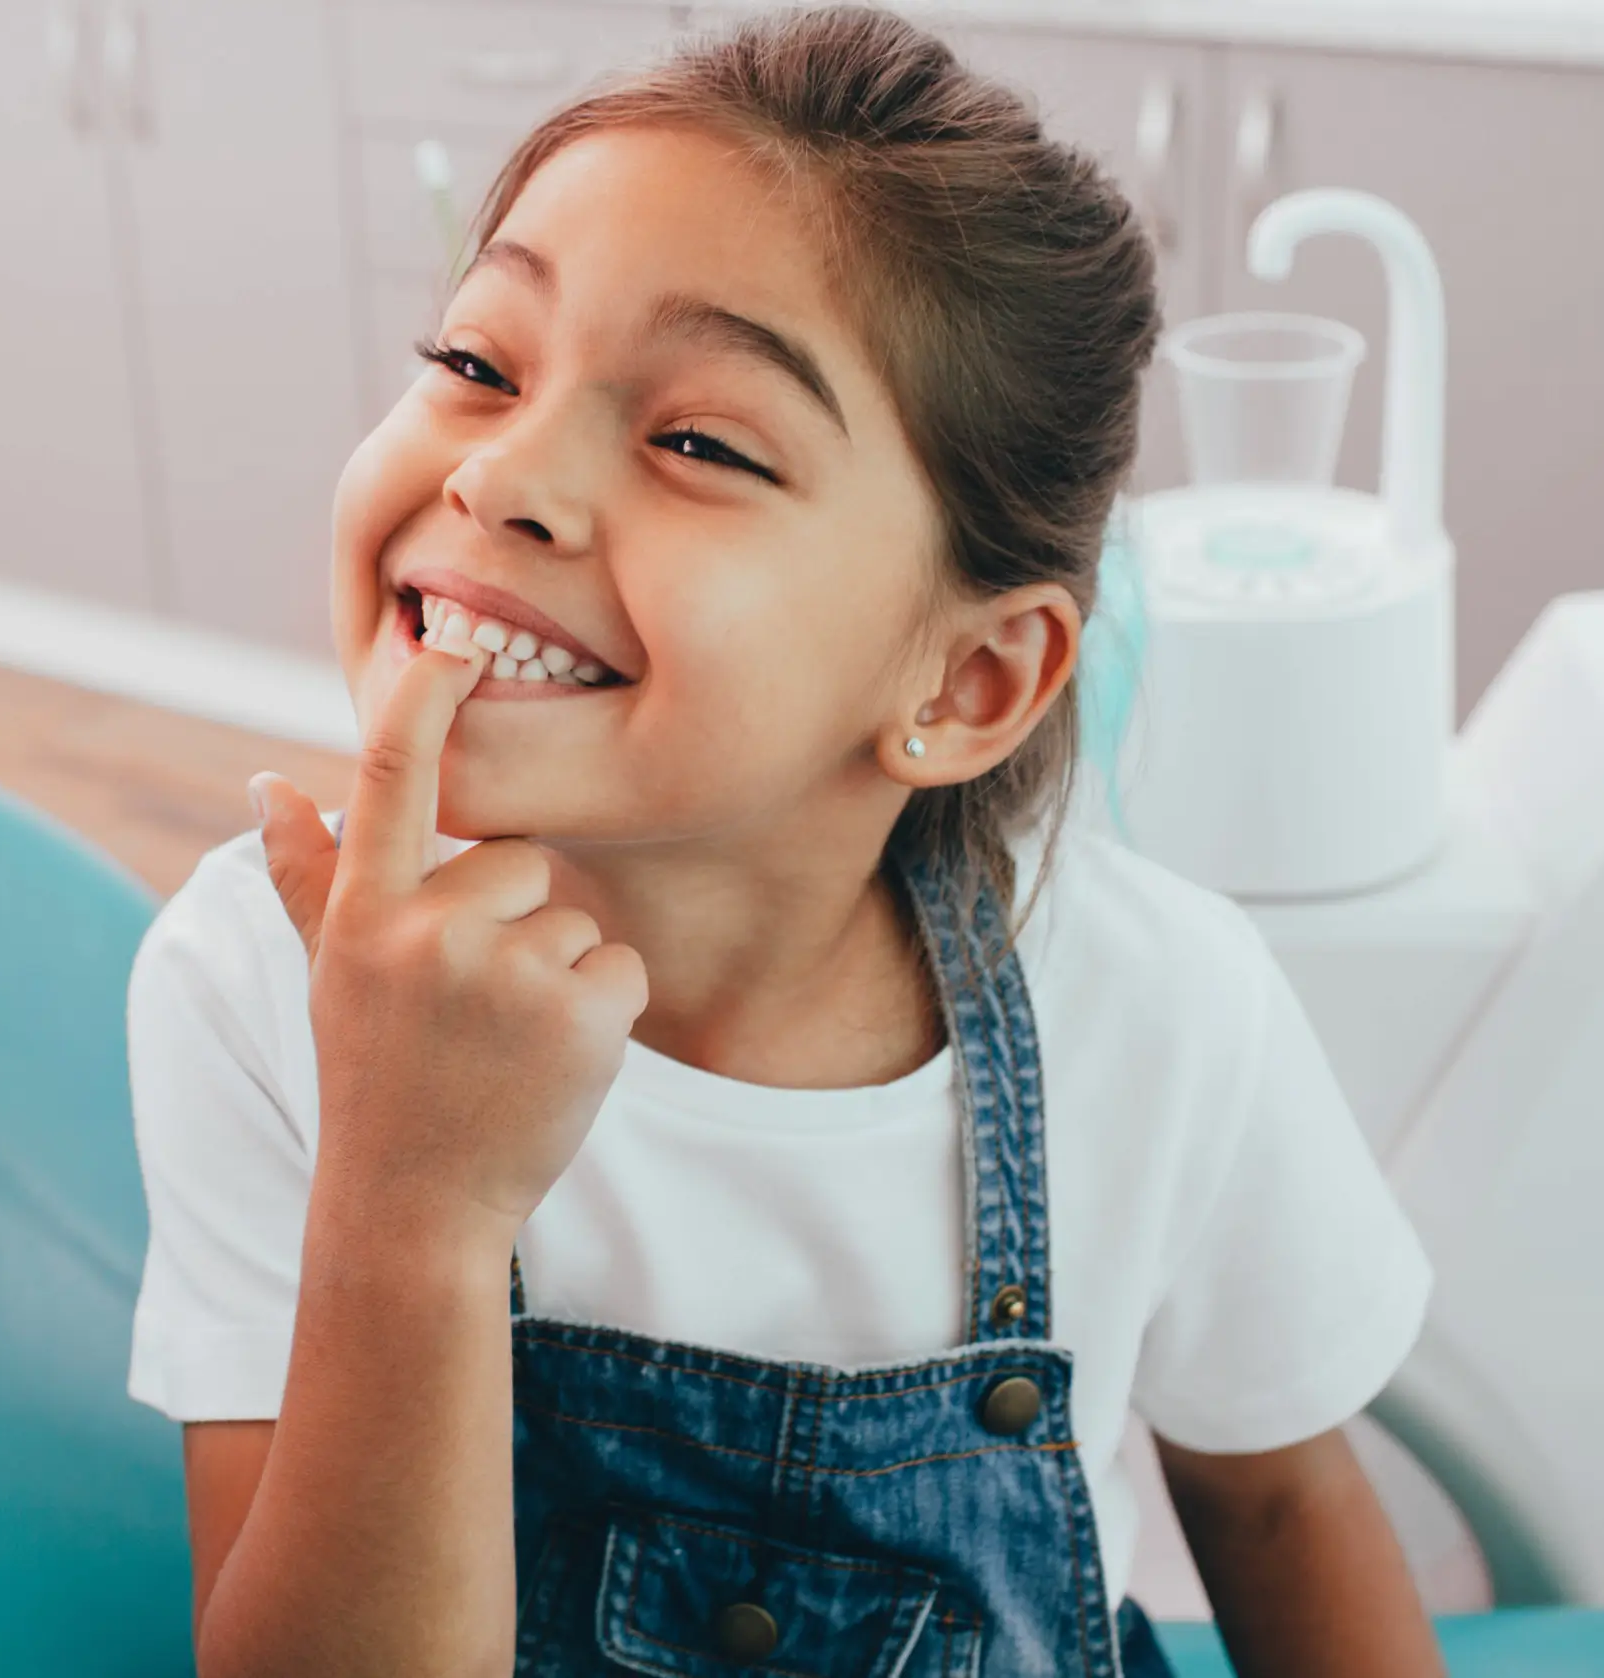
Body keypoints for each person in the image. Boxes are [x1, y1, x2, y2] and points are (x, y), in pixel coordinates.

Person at [123, 7, 1444, 1674]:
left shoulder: (1167, 1007)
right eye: (477, 362)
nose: (504, 475)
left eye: (698, 441)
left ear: (966, 681)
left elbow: (1274, 1507)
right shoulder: (257, 978)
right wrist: (409, 1201)